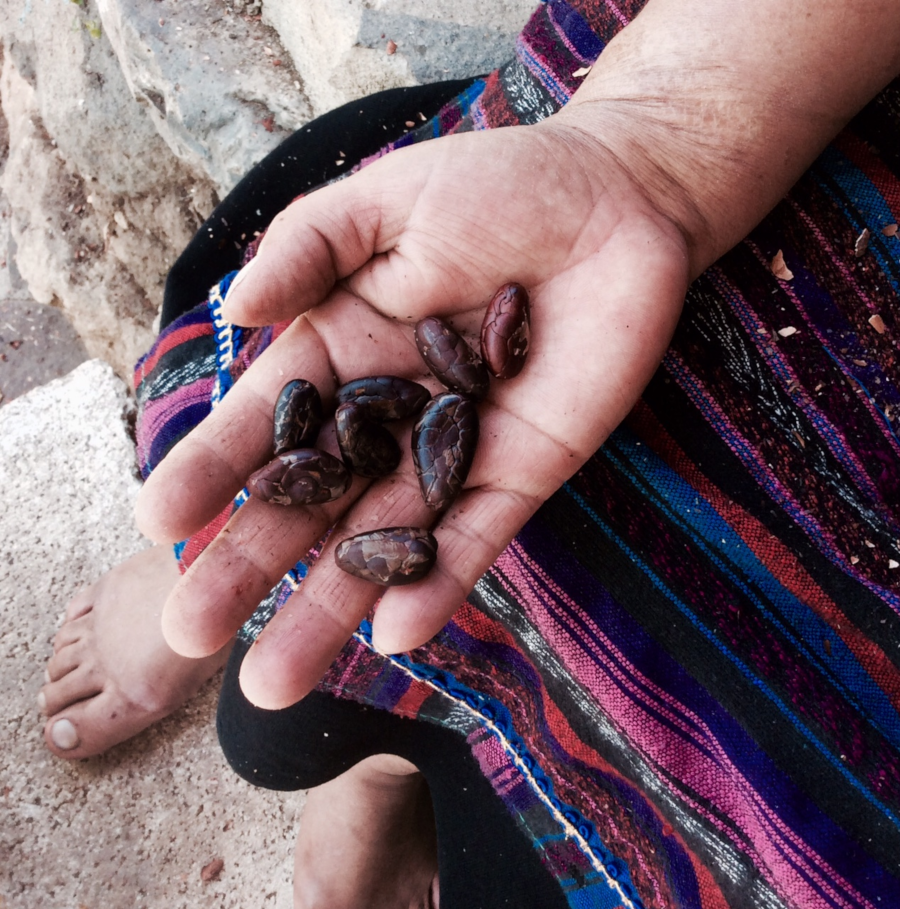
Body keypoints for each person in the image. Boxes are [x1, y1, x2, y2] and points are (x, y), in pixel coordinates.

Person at [41, 0, 900, 905]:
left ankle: (391, 738)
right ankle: (367, 733)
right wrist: (650, 151)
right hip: (745, 84)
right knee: (297, 678)